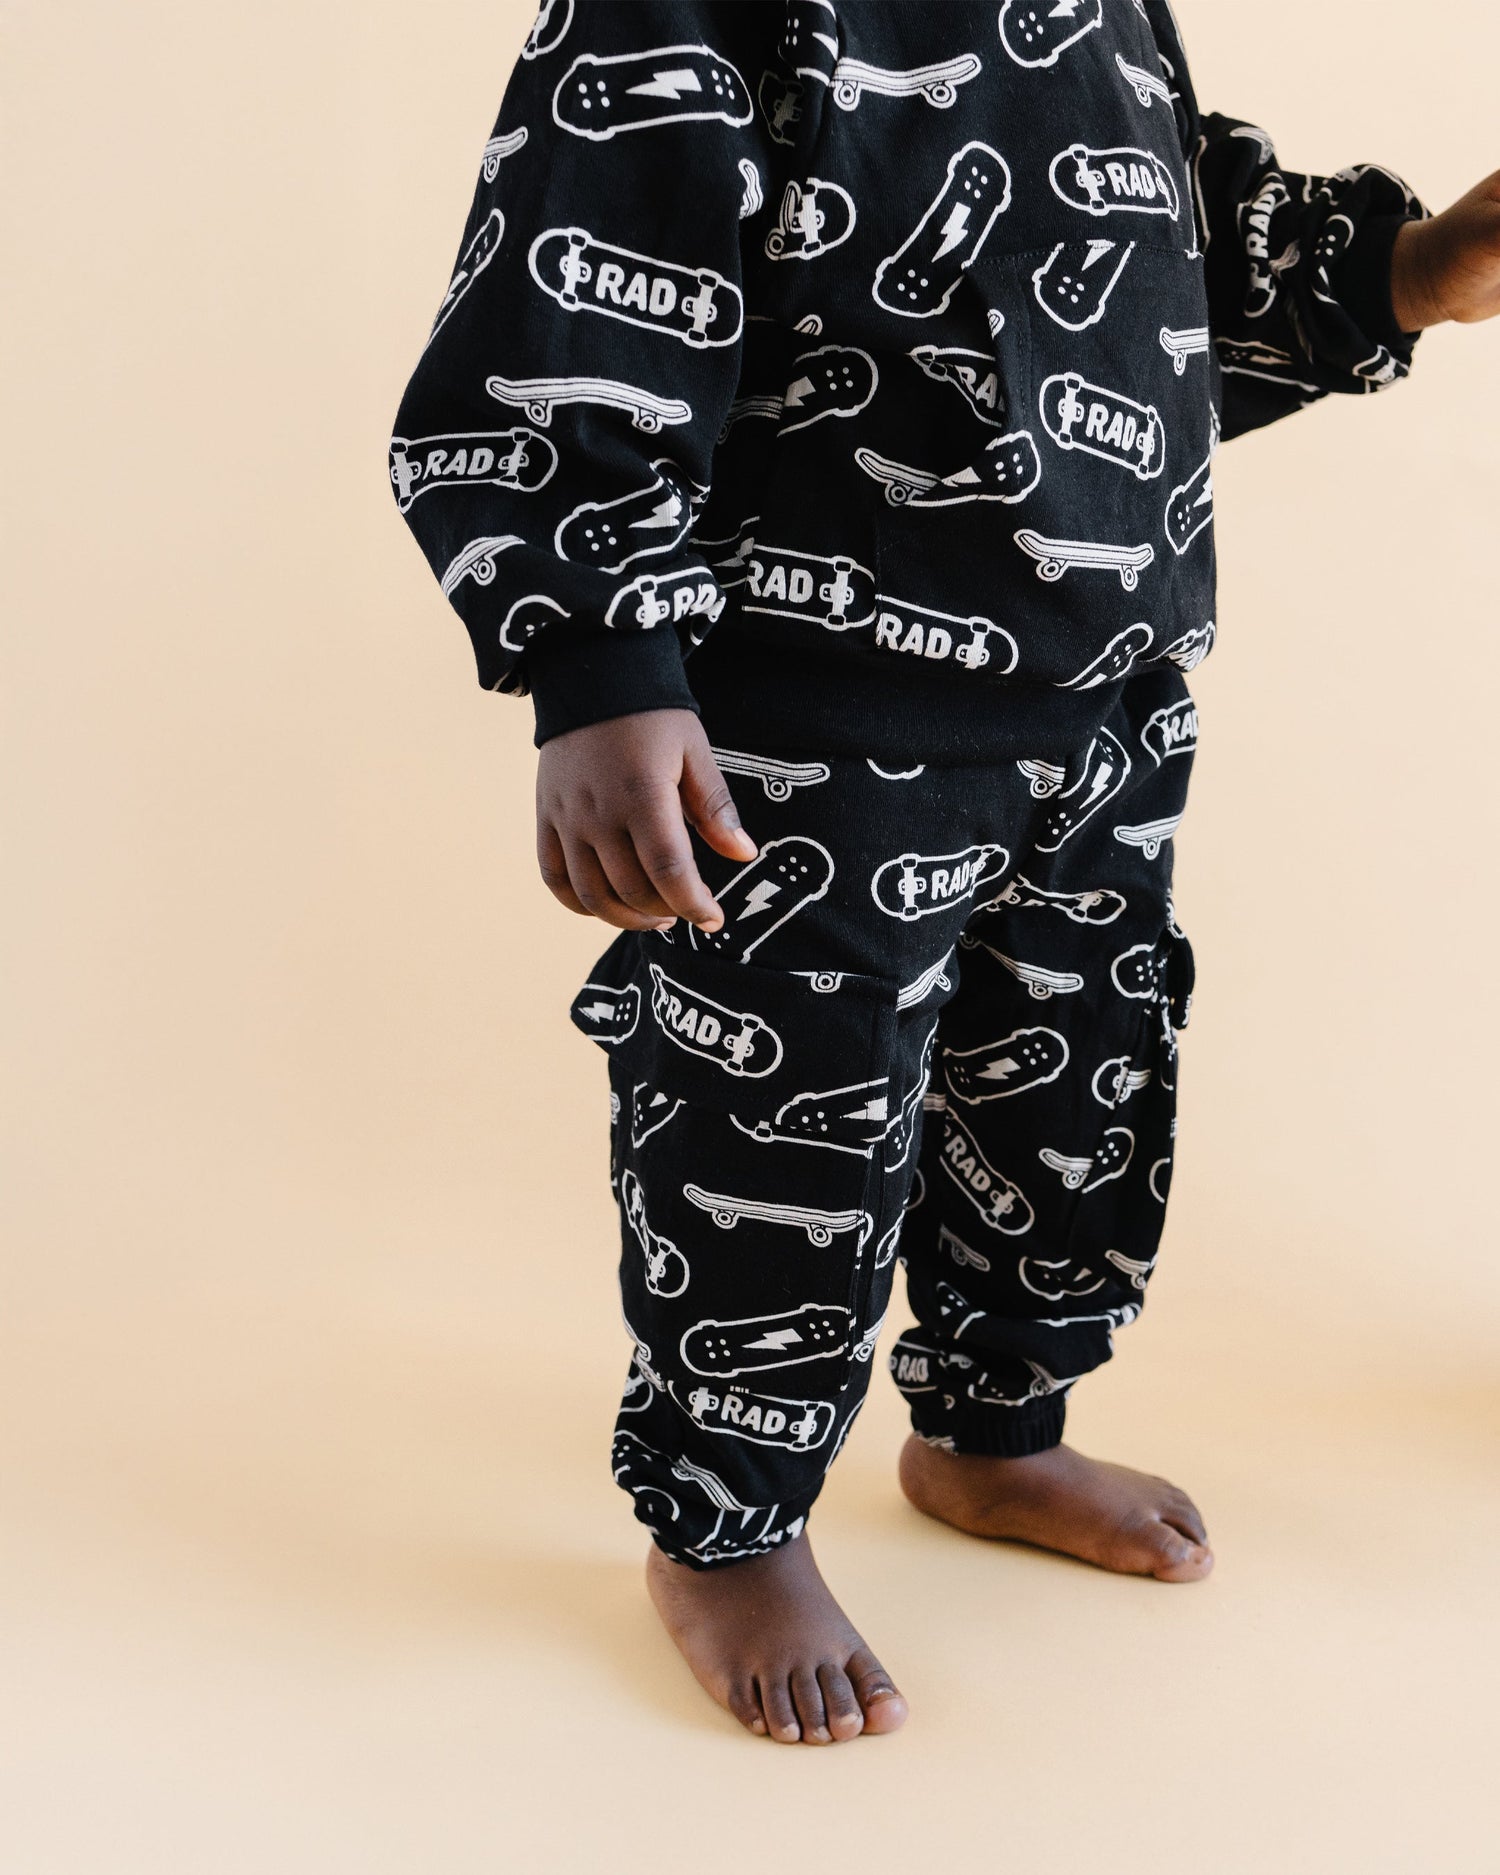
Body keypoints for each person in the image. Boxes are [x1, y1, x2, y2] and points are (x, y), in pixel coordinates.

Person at [390, 0, 1500, 1744]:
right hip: (813, 718)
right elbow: (580, 285)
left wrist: (1412, 271)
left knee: (1071, 1088)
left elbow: (1163, 265)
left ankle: (994, 1428)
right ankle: (726, 1527)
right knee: (789, 1121)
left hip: (1104, 693)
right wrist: (599, 662)